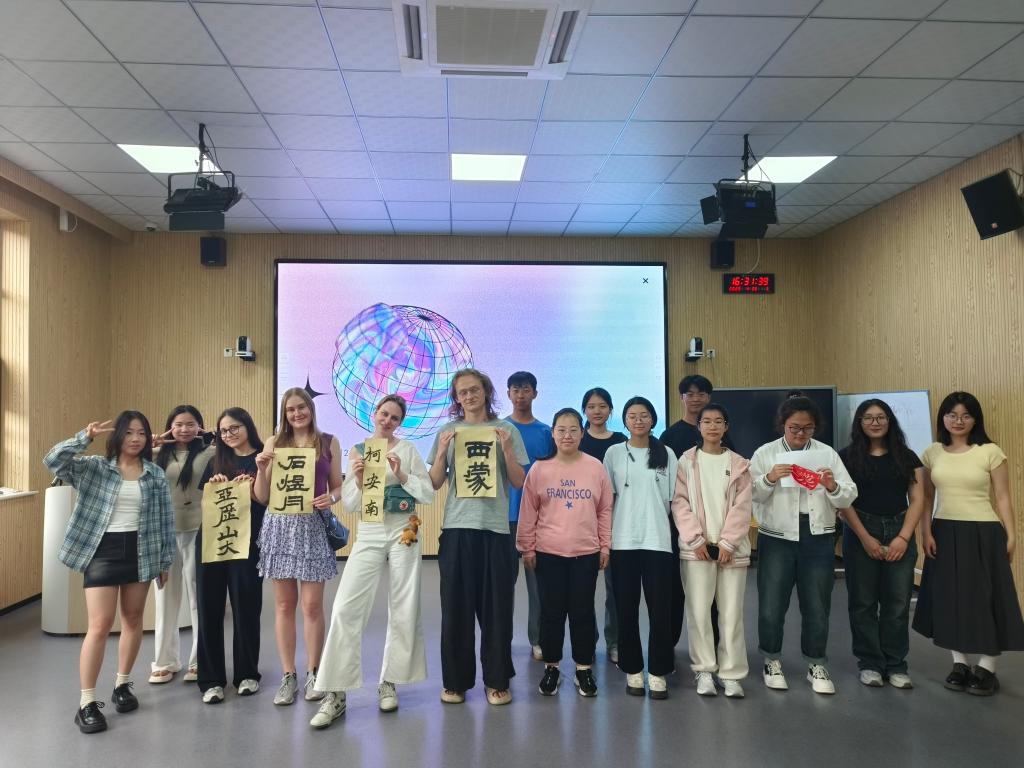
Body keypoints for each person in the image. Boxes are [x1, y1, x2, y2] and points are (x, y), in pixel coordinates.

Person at [43, 412, 174, 734]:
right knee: (100, 625)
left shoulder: (155, 474)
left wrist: (165, 561)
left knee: (133, 619)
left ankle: (122, 685)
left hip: (141, 550)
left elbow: (165, 519)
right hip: (102, 551)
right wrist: (83, 437)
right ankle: (87, 702)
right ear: (117, 436)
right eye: (128, 432)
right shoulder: (95, 467)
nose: (135, 438)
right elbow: (53, 461)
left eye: (141, 433)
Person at [311, 395, 435, 728]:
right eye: (384, 414)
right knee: (345, 607)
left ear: (400, 422)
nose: (388, 420)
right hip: (369, 530)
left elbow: (427, 493)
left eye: (395, 417)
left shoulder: (407, 450)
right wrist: (358, 479)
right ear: (374, 414)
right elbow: (351, 504)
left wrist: (401, 474)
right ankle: (335, 692)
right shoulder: (358, 451)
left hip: (404, 529)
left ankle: (389, 682)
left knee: (404, 605)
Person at [428, 368, 528, 706]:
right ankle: (455, 682)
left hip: (495, 530)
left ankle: (497, 680)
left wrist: (507, 449)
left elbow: (518, 481)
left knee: (496, 610)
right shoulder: (447, 431)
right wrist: (441, 452)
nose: (469, 396)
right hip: (457, 529)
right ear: (456, 398)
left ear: (486, 391)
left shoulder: (506, 429)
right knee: (455, 609)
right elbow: (435, 483)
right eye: (462, 392)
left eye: (474, 390)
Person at [913, 392, 1024, 695]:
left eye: (965, 415)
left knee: (986, 597)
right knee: (950, 597)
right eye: (952, 414)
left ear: (976, 419)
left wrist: (1012, 535)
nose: (958, 421)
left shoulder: (990, 451)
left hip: (984, 531)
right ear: (943, 418)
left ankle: (987, 667)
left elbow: (1002, 497)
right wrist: (926, 532)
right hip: (944, 530)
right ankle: (959, 663)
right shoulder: (932, 453)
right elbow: (926, 498)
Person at [749, 395, 857, 695]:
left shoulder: (826, 454)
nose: (800, 433)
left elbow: (849, 495)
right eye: (794, 427)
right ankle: (771, 660)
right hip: (777, 535)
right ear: (782, 425)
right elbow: (751, 494)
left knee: (817, 604)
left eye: (807, 428)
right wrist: (770, 478)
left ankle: (816, 663)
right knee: (771, 603)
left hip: (817, 534)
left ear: (815, 428)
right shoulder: (766, 453)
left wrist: (832, 485)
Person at [254, 387, 343, 706]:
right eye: (290, 409)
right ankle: (288, 675)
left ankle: (314, 672)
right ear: (284, 413)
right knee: (283, 605)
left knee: (312, 606)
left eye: (301, 407)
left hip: (313, 526)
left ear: (311, 409)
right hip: (279, 527)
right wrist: (261, 469)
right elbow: (262, 496)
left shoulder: (329, 441)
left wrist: (330, 498)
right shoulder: (274, 443)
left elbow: (338, 487)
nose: (296, 413)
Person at [517, 408, 613, 697]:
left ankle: (583, 669)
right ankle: (552, 667)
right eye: (561, 430)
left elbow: (604, 509)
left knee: (583, 611)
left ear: (582, 433)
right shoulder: (540, 469)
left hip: (586, 552)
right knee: (551, 612)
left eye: (573, 430)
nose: (567, 435)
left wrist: (605, 545)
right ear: (553, 433)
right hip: (548, 553)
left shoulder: (595, 467)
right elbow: (528, 511)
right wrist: (526, 547)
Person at [838, 399, 924, 690]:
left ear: (890, 421)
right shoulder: (847, 457)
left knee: (897, 603)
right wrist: (865, 538)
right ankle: (870, 664)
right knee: (862, 603)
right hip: (860, 529)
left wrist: (904, 537)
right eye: (868, 417)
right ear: (859, 423)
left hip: (900, 528)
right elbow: (843, 502)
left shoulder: (906, 456)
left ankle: (896, 665)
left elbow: (918, 499)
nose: (875, 422)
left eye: (881, 417)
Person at [672, 403, 752, 699]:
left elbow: (743, 507)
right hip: (697, 551)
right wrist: (695, 540)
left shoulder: (740, 464)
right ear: (699, 426)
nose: (713, 426)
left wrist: (729, 542)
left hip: (732, 550)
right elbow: (679, 502)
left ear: (726, 426)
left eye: (719, 421)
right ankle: (704, 670)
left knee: (731, 614)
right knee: (698, 612)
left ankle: (731, 673)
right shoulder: (686, 462)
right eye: (707, 421)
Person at [604, 396, 678, 699]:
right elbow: (607, 499)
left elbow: (672, 499)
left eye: (644, 415)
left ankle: (659, 672)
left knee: (660, 609)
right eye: (632, 415)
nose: (638, 420)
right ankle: (633, 669)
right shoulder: (613, 453)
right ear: (624, 420)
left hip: (657, 540)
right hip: (622, 541)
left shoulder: (666, 453)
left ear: (653, 419)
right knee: (626, 608)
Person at [195, 407, 266, 704]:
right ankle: (211, 680)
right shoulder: (216, 460)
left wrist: (250, 486)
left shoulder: (263, 457)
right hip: (213, 540)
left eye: (234, 427)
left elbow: (267, 498)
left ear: (248, 426)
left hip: (248, 543)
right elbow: (205, 499)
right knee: (209, 608)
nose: (229, 434)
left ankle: (247, 674)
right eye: (223, 430)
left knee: (247, 607)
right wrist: (215, 486)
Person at [660, 375, 733, 649]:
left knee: (711, 593)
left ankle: (710, 649)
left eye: (701, 393)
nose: (695, 398)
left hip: (714, 526)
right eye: (689, 394)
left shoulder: (724, 438)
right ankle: (668, 647)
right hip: (678, 525)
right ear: (681, 398)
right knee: (673, 591)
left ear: (709, 397)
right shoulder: (670, 436)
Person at [149, 405, 214, 685]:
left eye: (190, 424)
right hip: (165, 532)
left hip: (199, 530)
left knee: (198, 597)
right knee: (165, 597)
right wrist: (150, 444)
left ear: (199, 426)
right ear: (169, 427)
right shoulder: (156, 455)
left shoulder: (210, 452)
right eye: (178, 424)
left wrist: (212, 437)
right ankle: (164, 661)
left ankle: (199, 661)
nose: (184, 429)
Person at [504, 371, 554, 661]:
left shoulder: (546, 432)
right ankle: (503, 639)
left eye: (526, 389)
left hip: (538, 518)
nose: (521, 395)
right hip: (504, 517)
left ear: (535, 393)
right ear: (508, 394)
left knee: (538, 585)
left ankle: (538, 639)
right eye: (515, 390)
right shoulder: (499, 429)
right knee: (504, 584)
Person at [578, 387, 627, 664]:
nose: (597, 411)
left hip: (615, 520)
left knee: (615, 588)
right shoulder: (577, 440)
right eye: (591, 406)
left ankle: (615, 641)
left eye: (602, 406)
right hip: (581, 522)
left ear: (610, 409)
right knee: (583, 591)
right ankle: (587, 642)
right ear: (584, 410)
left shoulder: (621, 441)